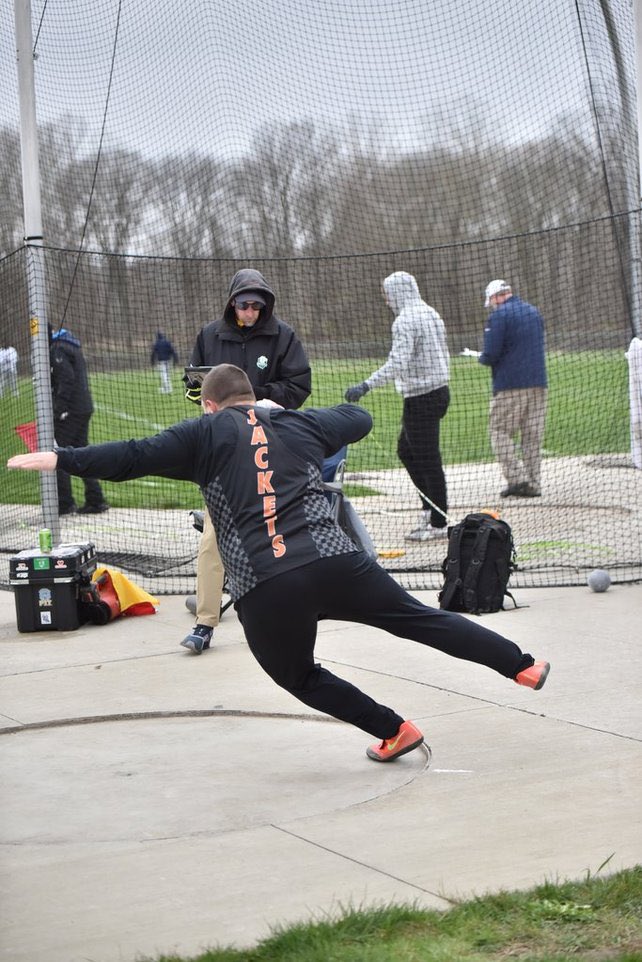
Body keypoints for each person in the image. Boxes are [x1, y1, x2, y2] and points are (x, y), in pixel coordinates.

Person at [7, 363, 551, 764]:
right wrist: (285, 416)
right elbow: (358, 417)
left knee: (298, 674)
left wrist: (60, 457)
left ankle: (395, 729)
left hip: (268, 585)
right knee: (421, 621)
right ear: (255, 400)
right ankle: (520, 664)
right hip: (340, 563)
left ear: (210, 405)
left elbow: (130, 455)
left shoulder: (203, 432)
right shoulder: (301, 426)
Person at [182, 268, 312, 654]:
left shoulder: (282, 336)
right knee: (213, 537)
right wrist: (202, 393)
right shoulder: (209, 336)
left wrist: (252, 396)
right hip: (221, 447)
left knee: (279, 531)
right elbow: (193, 392)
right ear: (232, 303)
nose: (250, 311)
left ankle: (289, 613)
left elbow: (299, 386)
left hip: (267, 442)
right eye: (244, 304)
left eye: (257, 305)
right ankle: (205, 622)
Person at [344, 271, 450, 542]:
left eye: (387, 294)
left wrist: (366, 385)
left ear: (398, 292)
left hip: (422, 397)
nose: (386, 300)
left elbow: (397, 363)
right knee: (406, 450)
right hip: (437, 392)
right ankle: (429, 508)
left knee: (428, 459)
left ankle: (438, 521)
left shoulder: (406, 320)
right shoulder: (429, 312)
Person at [478, 280, 548, 498]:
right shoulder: (533, 311)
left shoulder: (499, 316)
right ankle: (534, 482)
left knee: (499, 430)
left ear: (496, 297)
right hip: (538, 382)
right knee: (531, 435)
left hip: (510, 384)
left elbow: (491, 354)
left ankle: (517, 479)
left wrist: (482, 357)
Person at [49, 326, 109, 515]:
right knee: (81, 453)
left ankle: (65, 504)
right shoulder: (69, 344)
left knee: (57, 454)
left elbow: (67, 379)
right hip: (82, 408)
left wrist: (59, 410)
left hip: (71, 411)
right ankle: (96, 500)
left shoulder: (58, 348)